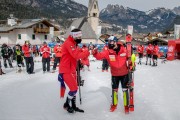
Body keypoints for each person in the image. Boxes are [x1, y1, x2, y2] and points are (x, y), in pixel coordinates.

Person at [92, 36, 131, 113]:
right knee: (114, 91)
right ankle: (114, 105)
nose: (110, 43)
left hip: (124, 74)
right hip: (114, 75)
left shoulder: (124, 49)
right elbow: (100, 56)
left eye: (111, 42)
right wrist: (95, 53)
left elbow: (129, 58)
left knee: (125, 90)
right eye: (109, 42)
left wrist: (131, 63)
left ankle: (126, 106)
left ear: (116, 42)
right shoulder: (108, 51)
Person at [58, 29, 90, 113]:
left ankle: (74, 106)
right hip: (66, 69)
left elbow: (79, 52)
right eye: (78, 37)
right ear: (73, 36)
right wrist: (86, 52)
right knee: (74, 88)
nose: (80, 38)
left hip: (72, 68)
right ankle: (66, 104)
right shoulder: (69, 43)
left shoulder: (74, 43)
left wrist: (84, 54)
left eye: (80, 36)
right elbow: (76, 55)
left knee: (74, 87)